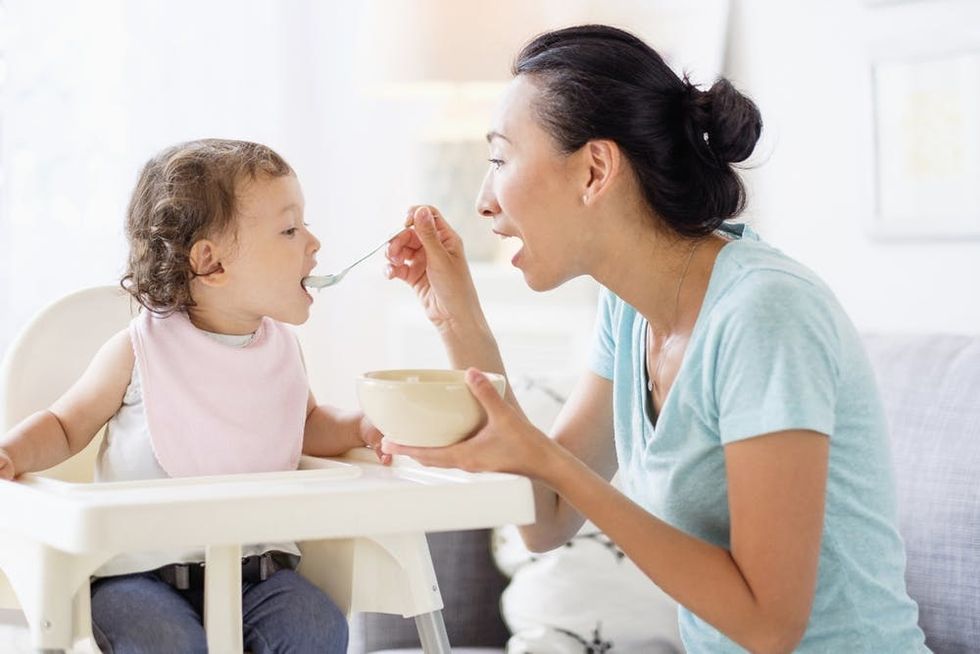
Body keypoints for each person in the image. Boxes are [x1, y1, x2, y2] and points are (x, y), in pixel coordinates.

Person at [382, 25, 928, 653]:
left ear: (594, 170)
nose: (484, 201)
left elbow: (771, 627)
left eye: (501, 160)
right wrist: (459, 319)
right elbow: (547, 519)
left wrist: (544, 454)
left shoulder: (765, 314)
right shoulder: (629, 311)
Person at [0, 139, 384, 653]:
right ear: (211, 263)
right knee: (167, 641)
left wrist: (359, 426)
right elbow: (66, 425)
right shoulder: (140, 348)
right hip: (139, 575)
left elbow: (305, 423)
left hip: (258, 576)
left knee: (317, 625)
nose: (314, 243)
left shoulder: (281, 349)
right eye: (290, 229)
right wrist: (12, 453)